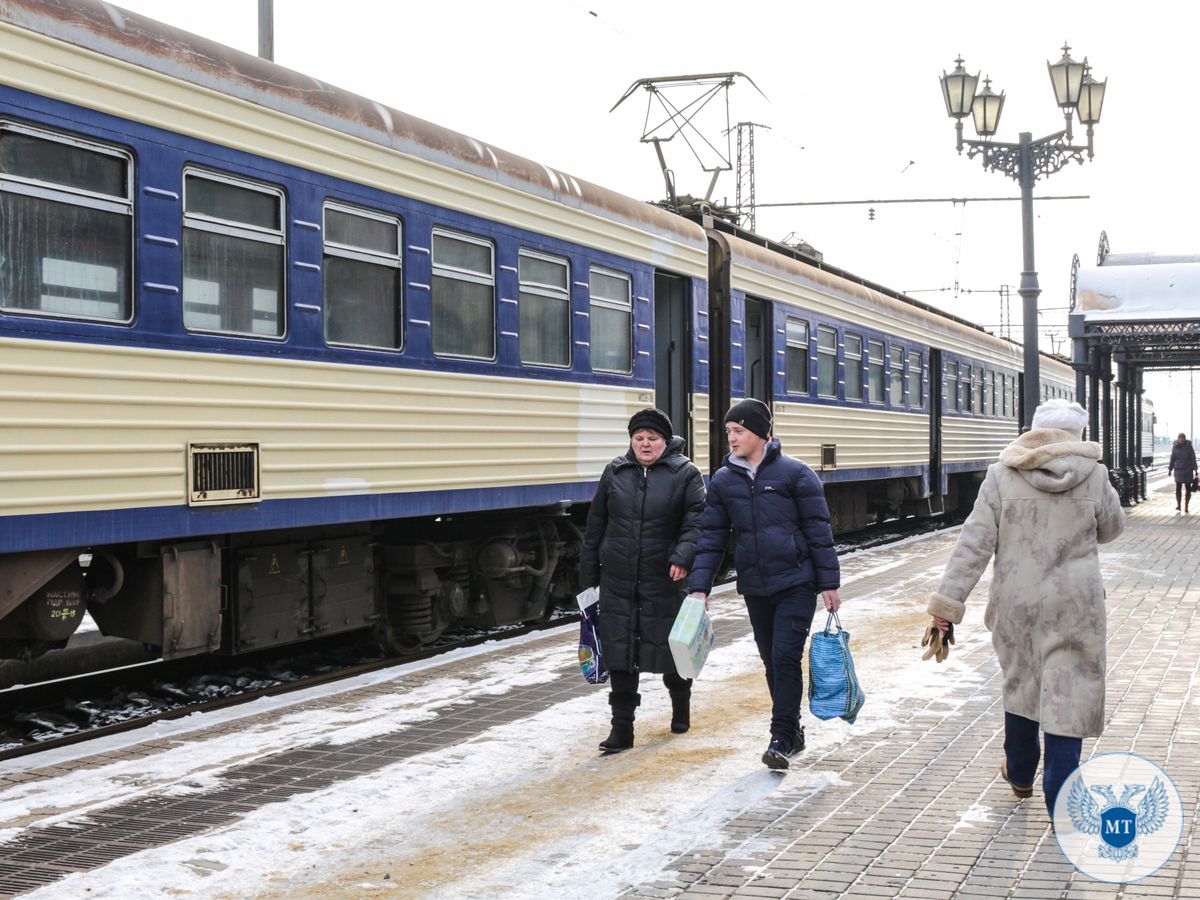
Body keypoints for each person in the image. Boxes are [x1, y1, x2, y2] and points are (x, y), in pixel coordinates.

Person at [927, 398, 1124, 815]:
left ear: (1034, 429)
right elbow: (1111, 530)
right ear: (1078, 434)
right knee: (1069, 696)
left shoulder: (1001, 475)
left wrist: (947, 606)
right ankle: (1063, 798)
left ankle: (1019, 773)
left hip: (1016, 602)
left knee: (1022, 685)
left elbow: (973, 545)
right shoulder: (1095, 474)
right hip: (1076, 604)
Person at [688, 398, 841, 770]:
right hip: (756, 586)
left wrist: (829, 584)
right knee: (772, 661)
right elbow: (712, 537)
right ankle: (794, 730)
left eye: (738, 431)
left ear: (760, 433)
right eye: (728, 432)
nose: (732, 438)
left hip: (796, 582)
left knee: (786, 656)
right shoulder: (724, 480)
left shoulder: (796, 474)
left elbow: (819, 533)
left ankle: (781, 735)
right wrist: (699, 588)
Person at [580, 408, 707, 753]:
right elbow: (595, 527)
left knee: (671, 652)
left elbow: (697, 522)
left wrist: (683, 556)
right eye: (639, 438)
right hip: (619, 581)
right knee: (621, 654)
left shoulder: (686, 474)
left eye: (652, 438)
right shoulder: (615, 472)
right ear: (631, 441)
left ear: (665, 442)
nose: (645, 444)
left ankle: (681, 706)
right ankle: (622, 730)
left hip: (664, 579)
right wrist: (588, 578)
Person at [1168, 432, 1197, 513]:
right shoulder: (1175, 447)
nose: (1181, 439)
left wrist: (1195, 469)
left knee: (1188, 489)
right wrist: (1170, 469)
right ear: (1178, 439)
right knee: (1178, 488)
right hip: (1178, 470)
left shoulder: (1189, 447)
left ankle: (1186, 506)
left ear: (1185, 438)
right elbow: (1172, 458)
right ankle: (1179, 505)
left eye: (1182, 438)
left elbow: (1193, 458)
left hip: (1188, 470)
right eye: (1180, 438)